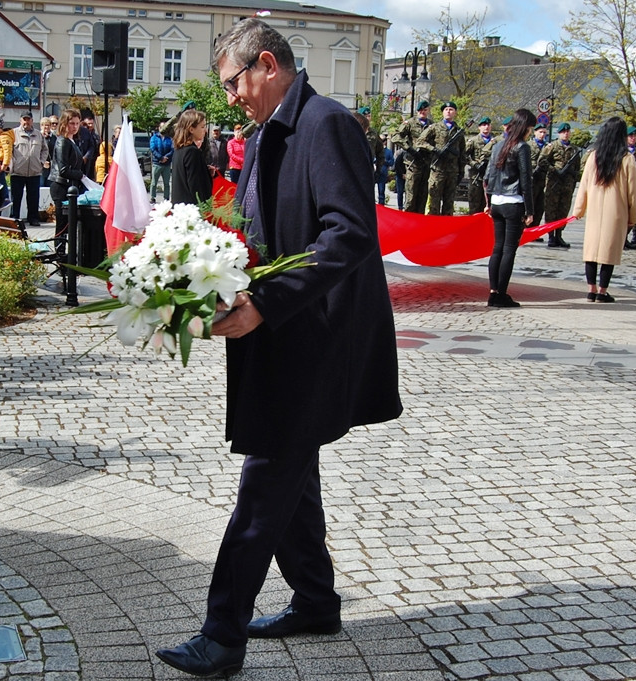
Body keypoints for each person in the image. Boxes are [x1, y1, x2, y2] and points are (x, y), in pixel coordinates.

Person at [155, 19, 402, 677]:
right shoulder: (267, 131)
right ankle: (316, 600)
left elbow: (349, 235)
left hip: (312, 338)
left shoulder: (326, 123)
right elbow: (264, 228)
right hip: (281, 331)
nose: (230, 97)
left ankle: (221, 632)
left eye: (234, 82)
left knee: (267, 481)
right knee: (294, 471)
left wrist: (264, 301)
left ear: (265, 65)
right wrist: (209, 273)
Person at [571, 116, 636, 303]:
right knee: (609, 251)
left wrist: (579, 210)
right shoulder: (627, 159)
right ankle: (603, 291)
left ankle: (591, 289)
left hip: (594, 210)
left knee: (591, 250)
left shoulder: (594, 156)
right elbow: (633, 191)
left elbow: (583, 185)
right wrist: (633, 215)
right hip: (616, 212)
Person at [484, 109, 536, 309]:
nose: (530, 132)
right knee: (508, 250)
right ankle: (501, 294)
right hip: (513, 202)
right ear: (525, 127)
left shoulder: (498, 145)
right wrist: (530, 209)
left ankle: (493, 292)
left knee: (497, 248)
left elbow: (487, 177)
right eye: (530, 128)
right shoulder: (522, 147)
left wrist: (488, 202)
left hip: (497, 201)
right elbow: (526, 179)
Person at [47, 108, 86, 259]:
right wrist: (81, 175)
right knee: (63, 224)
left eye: (77, 124)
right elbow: (63, 169)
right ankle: (60, 254)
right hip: (61, 186)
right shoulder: (62, 141)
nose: (75, 127)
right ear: (64, 123)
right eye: (72, 123)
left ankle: (64, 254)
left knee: (68, 224)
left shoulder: (71, 140)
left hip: (69, 185)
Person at [417, 101, 466, 216]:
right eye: (446, 110)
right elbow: (420, 141)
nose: (448, 112)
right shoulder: (435, 127)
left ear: (455, 113)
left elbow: (462, 152)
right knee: (434, 203)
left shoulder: (458, 131)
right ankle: (434, 229)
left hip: (452, 171)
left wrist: (461, 170)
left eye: (451, 110)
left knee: (449, 204)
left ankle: (446, 229)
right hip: (437, 170)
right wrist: (433, 149)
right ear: (443, 113)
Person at [539, 122, 580, 248]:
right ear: (559, 133)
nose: (566, 134)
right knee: (551, 210)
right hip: (553, 184)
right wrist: (554, 170)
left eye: (567, 132)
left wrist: (573, 176)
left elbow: (577, 168)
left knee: (563, 210)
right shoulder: (553, 146)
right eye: (563, 132)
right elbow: (542, 161)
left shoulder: (574, 149)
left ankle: (559, 235)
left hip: (567, 185)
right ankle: (551, 236)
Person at [392, 100, 432, 213]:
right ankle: (408, 223)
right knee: (411, 196)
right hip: (413, 163)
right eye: (420, 110)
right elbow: (396, 137)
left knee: (423, 196)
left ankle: (419, 224)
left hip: (426, 163)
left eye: (425, 110)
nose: (423, 112)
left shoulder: (431, 125)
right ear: (417, 111)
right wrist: (409, 149)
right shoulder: (410, 123)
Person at [11, 111, 48, 225]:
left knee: (33, 198)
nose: (26, 122)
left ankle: (33, 218)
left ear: (32, 121)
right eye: (24, 119)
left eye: (28, 119)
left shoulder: (38, 134)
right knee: (16, 198)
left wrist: (41, 162)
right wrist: (13, 163)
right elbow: (8, 150)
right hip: (18, 172)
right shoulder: (13, 133)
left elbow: (45, 149)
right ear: (20, 120)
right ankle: (14, 219)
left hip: (34, 171)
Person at [170, 109, 212, 206]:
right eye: (202, 127)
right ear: (191, 129)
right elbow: (196, 187)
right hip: (191, 212)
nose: (205, 130)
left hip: (179, 209)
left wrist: (205, 171)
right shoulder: (192, 152)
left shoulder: (179, 150)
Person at [466, 116, 496, 215]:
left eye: (488, 125)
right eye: (483, 125)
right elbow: (464, 155)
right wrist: (475, 164)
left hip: (491, 178)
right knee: (475, 205)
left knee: (489, 207)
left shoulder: (496, 141)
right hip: (476, 178)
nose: (486, 127)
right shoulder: (473, 141)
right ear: (479, 127)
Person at [529, 124, 550, 228]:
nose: (542, 135)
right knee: (529, 205)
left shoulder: (548, 147)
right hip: (530, 180)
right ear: (535, 132)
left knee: (540, 206)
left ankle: (535, 229)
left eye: (544, 132)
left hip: (543, 180)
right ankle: (525, 229)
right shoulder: (528, 145)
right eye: (540, 132)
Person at [149, 121, 174, 202]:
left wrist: (166, 157)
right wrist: (160, 158)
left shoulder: (169, 138)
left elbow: (172, 149)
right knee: (154, 182)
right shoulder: (154, 138)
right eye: (162, 127)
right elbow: (153, 149)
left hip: (166, 164)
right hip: (157, 164)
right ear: (159, 128)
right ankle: (153, 197)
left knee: (166, 183)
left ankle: (166, 198)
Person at [375, 134, 392, 205]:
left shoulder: (388, 152)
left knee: (381, 191)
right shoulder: (374, 149)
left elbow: (391, 162)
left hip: (382, 172)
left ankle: (381, 206)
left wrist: (385, 161)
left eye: (383, 140)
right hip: (374, 171)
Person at [40, 116, 56, 186]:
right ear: (41, 126)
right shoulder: (38, 136)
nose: (46, 127)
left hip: (51, 166)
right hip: (41, 166)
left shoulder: (54, 137)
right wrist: (43, 162)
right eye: (44, 125)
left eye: (48, 125)